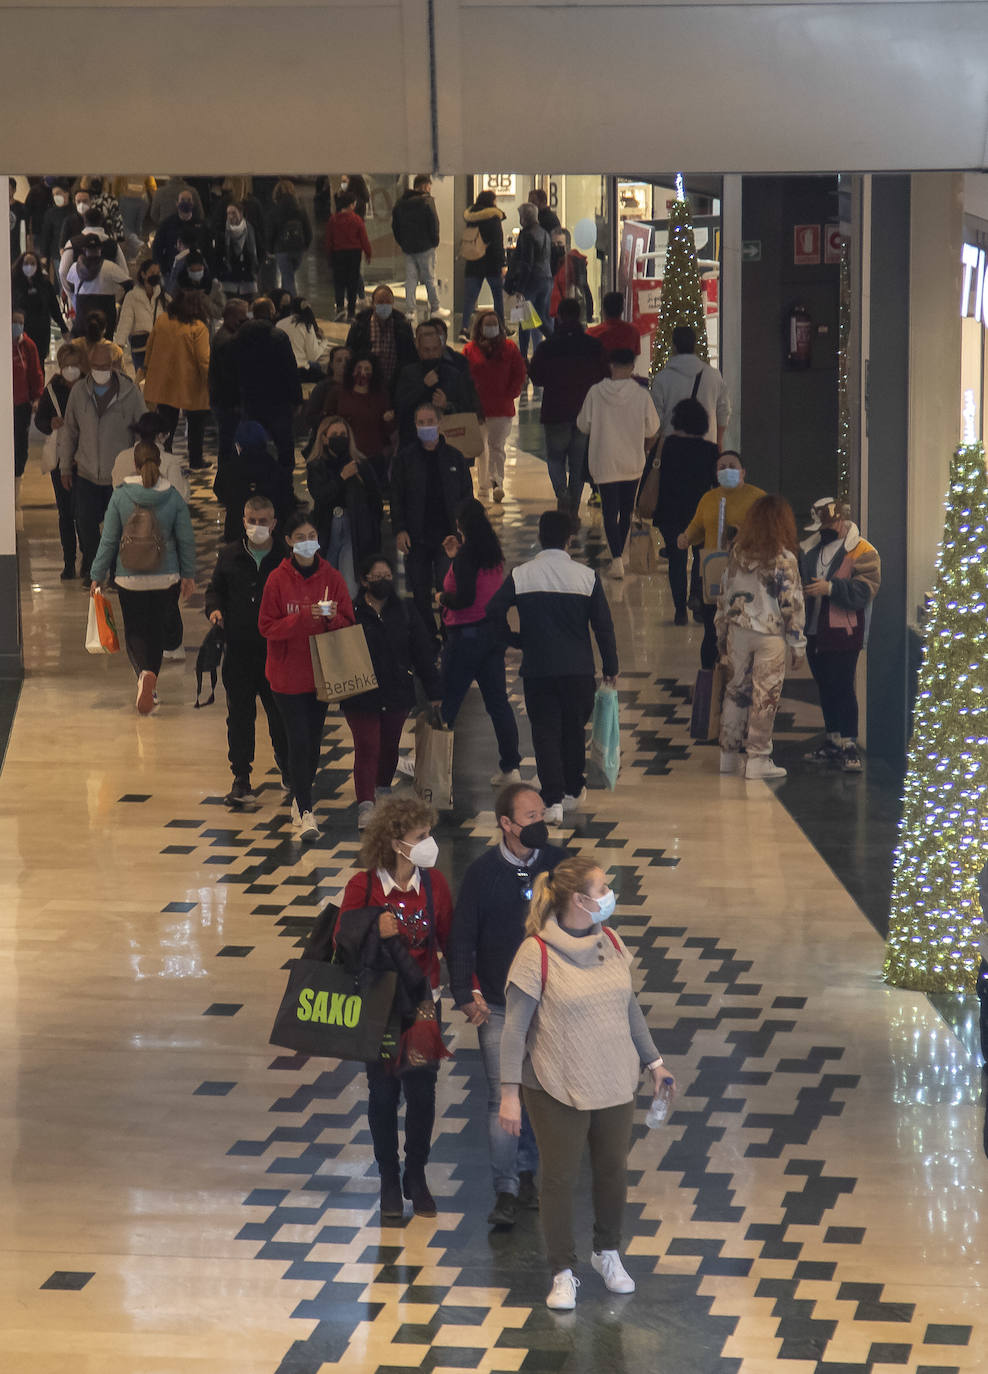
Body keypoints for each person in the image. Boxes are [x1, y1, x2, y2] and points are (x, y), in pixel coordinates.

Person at [499, 854, 672, 1309]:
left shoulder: (610, 941)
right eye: (602, 889)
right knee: (558, 1178)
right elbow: (514, 1030)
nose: (609, 895)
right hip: (555, 1084)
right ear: (578, 899)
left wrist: (655, 1063)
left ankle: (607, 1252)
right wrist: (509, 1095)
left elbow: (628, 1006)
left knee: (613, 1171)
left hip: (614, 1079)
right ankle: (562, 1271)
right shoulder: (535, 953)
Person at [447, 784, 568, 1225]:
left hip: (552, 1007)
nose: (540, 824)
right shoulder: (482, 874)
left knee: (542, 1094)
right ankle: (506, 1189)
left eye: (541, 814)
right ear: (506, 824)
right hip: (498, 1007)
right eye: (531, 818)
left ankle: (531, 1173)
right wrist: (464, 992)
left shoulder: (558, 867)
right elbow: (462, 937)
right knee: (505, 1096)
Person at [336, 795, 453, 1220]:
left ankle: (416, 1174)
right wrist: (373, 925)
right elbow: (341, 940)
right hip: (381, 1007)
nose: (429, 843)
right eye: (420, 836)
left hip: (422, 1006)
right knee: (383, 1095)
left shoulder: (434, 884)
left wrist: (470, 988)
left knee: (422, 1094)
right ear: (395, 842)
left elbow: (448, 936)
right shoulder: (362, 887)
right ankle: (389, 1176)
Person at [486, 509, 618, 824]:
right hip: (578, 672)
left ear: (539, 536)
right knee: (573, 731)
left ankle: (553, 800)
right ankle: (573, 790)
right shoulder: (586, 577)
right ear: (569, 539)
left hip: (539, 669)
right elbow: (603, 626)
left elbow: (493, 611)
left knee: (545, 733)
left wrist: (515, 639)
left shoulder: (523, 574)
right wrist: (611, 665)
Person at [257, 509, 355, 839]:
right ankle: (307, 809)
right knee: (297, 741)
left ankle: (300, 797)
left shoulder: (332, 577)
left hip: (321, 675)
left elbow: (348, 624)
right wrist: (304, 618)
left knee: (313, 744)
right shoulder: (276, 579)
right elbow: (267, 626)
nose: (307, 542)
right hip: (286, 677)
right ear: (287, 541)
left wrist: (328, 618)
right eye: (300, 537)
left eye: (312, 536)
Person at [89, 442, 196, 714]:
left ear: (135, 465)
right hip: (166, 576)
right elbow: (186, 538)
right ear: (159, 463)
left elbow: (109, 539)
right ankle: (151, 678)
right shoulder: (172, 496)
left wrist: (97, 574)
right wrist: (188, 574)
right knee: (157, 631)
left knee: (136, 630)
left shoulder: (121, 495)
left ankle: (144, 677)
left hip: (129, 577)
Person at [342, 555, 442, 828]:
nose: (383, 581)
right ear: (364, 580)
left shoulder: (405, 610)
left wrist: (434, 690)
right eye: (377, 576)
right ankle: (366, 804)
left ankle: (382, 791)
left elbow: (422, 652)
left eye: (388, 576)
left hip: (397, 691)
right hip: (360, 694)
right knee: (367, 746)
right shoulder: (351, 612)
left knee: (389, 747)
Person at [205, 494, 291, 808]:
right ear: (243, 522)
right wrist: (214, 610)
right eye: (252, 521)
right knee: (239, 718)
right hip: (239, 652)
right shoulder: (229, 555)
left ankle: (290, 773)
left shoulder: (286, 558)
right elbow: (215, 590)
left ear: (274, 523)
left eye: (263, 521)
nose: (257, 527)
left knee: (280, 717)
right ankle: (241, 778)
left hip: (276, 654)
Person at [716, 495, 806, 780]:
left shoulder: (737, 553)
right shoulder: (784, 559)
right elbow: (791, 603)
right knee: (764, 697)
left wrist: (721, 632)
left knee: (735, 692)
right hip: (770, 635)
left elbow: (725, 593)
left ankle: (728, 756)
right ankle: (758, 758)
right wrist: (798, 644)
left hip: (738, 631)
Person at [439, 499, 521, 785]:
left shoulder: (467, 556)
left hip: (465, 637)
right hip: (492, 636)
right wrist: (455, 557)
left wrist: (441, 598)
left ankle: (432, 766)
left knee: (447, 702)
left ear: (461, 525)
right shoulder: (492, 553)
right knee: (498, 702)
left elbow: (464, 598)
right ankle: (511, 767)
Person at [799, 496, 882, 774]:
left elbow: (866, 590)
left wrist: (832, 588)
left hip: (845, 632)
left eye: (831, 521)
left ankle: (849, 744)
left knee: (843, 687)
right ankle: (832, 740)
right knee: (825, 687)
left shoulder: (863, 550)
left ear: (842, 519)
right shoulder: (809, 550)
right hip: (813, 631)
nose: (827, 527)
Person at [57, 342, 147, 585]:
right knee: (85, 523)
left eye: (105, 366)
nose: (100, 371)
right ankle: (96, 568)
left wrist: (144, 466)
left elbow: (143, 431)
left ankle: (118, 571)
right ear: (89, 366)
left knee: (120, 526)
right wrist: (65, 466)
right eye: (95, 366)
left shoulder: (130, 394)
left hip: (120, 476)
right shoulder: (78, 393)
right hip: (86, 473)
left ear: (114, 366)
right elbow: (69, 432)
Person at [390, 402, 473, 644]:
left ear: (440, 423)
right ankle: (426, 636)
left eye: (430, 422)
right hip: (416, 536)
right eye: (421, 422)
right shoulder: (405, 459)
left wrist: (463, 532)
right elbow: (397, 497)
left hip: (448, 536)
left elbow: (467, 496)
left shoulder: (455, 457)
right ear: (415, 425)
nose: (426, 426)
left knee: (446, 588)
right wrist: (400, 529)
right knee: (419, 589)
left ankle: (449, 633)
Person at [577, 348, 659, 579]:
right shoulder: (641, 395)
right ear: (633, 367)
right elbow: (653, 428)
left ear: (610, 365)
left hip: (604, 460)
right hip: (632, 460)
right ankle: (621, 555)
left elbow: (583, 425)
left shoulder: (595, 392)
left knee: (609, 511)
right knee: (626, 510)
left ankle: (616, 560)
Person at [679, 450, 765, 669]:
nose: (727, 470)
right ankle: (710, 678)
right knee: (712, 630)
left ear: (743, 472)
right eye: (722, 467)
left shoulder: (758, 498)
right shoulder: (709, 498)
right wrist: (686, 537)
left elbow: (768, 532)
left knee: (741, 630)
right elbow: (697, 526)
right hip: (714, 573)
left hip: (745, 573)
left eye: (732, 466)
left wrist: (743, 533)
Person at [528, 298, 607, 519]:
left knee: (555, 458)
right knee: (577, 463)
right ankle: (572, 508)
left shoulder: (548, 346)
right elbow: (604, 375)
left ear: (559, 317)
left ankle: (562, 495)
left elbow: (536, 376)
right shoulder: (593, 346)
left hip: (555, 411)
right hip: (584, 412)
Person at [651, 396, 719, 619]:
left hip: (670, 511)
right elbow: (717, 484)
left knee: (677, 560)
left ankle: (679, 610)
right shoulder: (710, 450)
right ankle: (697, 597)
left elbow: (653, 476)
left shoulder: (666, 445)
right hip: (700, 512)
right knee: (700, 556)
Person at [306, 416, 383, 592]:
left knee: (350, 584)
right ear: (324, 438)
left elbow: (375, 499)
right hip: (328, 527)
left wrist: (371, 527)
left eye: (343, 434)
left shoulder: (360, 464)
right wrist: (342, 478)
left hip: (354, 526)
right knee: (326, 583)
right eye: (335, 434)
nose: (340, 437)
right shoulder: (316, 466)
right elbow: (320, 495)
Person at [230, 296, 302, 471]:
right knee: (284, 447)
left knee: (252, 446)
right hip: (278, 402)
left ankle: (255, 487)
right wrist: (297, 399)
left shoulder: (238, 337)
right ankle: (285, 492)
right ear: (272, 313)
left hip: (250, 401)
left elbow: (231, 370)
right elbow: (290, 370)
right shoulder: (278, 337)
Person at [143, 289, 211, 470]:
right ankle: (196, 460)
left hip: (165, 381)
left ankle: (164, 457)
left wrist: (146, 368)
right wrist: (210, 382)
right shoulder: (198, 327)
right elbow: (204, 359)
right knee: (196, 423)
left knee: (166, 423)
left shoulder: (163, 320)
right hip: (191, 383)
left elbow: (149, 347)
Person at [463, 312, 525, 505]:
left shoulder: (510, 348)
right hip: (477, 410)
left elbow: (519, 373)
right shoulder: (469, 350)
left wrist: (511, 393)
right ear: (479, 328)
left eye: (494, 324)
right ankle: (483, 485)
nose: (491, 328)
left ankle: (496, 481)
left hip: (501, 408)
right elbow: (463, 377)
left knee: (497, 447)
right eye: (487, 324)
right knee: (481, 449)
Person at [34, 342, 84, 578]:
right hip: (60, 458)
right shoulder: (53, 390)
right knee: (66, 513)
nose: (71, 370)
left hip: (84, 461)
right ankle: (69, 562)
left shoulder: (88, 387)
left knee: (84, 513)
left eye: (75, 365)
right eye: (68, 366)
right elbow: (40, 420)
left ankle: (88, 560)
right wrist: (49, 423)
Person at [394, 322, 481, 444]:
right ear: (418, 350)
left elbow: (468, 409)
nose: (431, 354)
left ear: (441, 349)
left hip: (448, 444)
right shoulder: (408, 374)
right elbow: (400, 408)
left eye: (435, 349)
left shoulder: (454, 375)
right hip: (413, 443)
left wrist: (447, 405)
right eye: (426, 350)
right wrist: (422, 387)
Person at [651, 325, 730, 448]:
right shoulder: (713, 376)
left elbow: (656, 419)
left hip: (672, 448)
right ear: (694, 345)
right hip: (706, 447)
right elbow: (723, 412)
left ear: (674, 347)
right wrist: (719, 441)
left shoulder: (662, 379)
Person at [318, 353, 396, 476]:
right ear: (352, 370)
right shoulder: (338, 393)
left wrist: (389, 420)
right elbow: (326, 421)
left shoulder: (381, 395)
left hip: (373, 455)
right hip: (344, 454)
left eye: (367, 369)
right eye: (359, 368)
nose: (363, 373)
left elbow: (388, 429)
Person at [220, 420, 295, 542]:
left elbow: (220, 491)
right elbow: (287, 500)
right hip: (271, 531)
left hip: (236, 530)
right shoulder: (275, 467)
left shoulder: (229, 468)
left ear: (238, 445)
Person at [209, 298, 250, 495]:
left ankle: (225, 484)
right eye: (243, 316)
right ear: (232, 317)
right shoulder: (226, 341)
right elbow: (229, 378)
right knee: (227, 445)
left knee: (228, 445)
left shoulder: (226, 336)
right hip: (227, 404)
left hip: (224, 402)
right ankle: (223, 486)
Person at [346, 285, 417, 396]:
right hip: (366, 384)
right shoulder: (360, 325)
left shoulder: (402, 326)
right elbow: (350, 352)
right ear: (373, 304)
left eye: (388, 302)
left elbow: (409, 356)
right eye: (380, 302)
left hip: (395, 385)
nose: (384, 305)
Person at [505, 202, 553, 362]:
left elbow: (526, 263)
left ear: (524, 217)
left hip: (531, 282)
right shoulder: (544, 233)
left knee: (525, 319)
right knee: (542, 316)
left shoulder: (527, 235)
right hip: (546, 279)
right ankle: (552, 344)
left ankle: (523, 355)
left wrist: (520, 288)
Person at [392, 174, 442, 320]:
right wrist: (434, 241)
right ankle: (435, 307)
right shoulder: (427, 201)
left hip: (408, 247)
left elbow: (395, 226)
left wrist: (402, 242)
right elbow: (434, 223)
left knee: (411, 280)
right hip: (426, 246)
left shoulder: (401, 203)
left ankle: (410, 310)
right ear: (425, 185)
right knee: (429, 278)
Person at [62, 235, 131, 337]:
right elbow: (128, 284)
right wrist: (118, 300)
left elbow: (71, 287)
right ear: (100, 249)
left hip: (82, 320)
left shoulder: (74, 268)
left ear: (84, 249)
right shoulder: (110, 267)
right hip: (105, 321)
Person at [460, 190, 506, 339]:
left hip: (473, 262)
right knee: (497, 297)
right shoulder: (493, 218)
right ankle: (500, 328)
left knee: (470, 299)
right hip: (491, 264)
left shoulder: (470, 218)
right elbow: (498, 244)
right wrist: (503, 264)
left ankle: (464, 328)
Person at [112, 412, 188, 500]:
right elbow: (179, 497)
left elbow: (116, 488)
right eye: (167, 434)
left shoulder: (122, 457)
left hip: (126, 511)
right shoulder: (169, 461)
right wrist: (185, 482)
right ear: (159, 435)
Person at [113, 258, 166, 376]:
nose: (155, 276)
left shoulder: (163, 297)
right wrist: (119, 346)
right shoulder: (132, 297)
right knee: (143, 382)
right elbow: (125, 321)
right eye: (152, 273)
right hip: (141, 349)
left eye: (158, 273)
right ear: (143, 274)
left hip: (161, 346)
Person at [12, 250, 67, 363]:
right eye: (26, 263)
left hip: (41, 332)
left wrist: (63, 327)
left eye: (32, 263)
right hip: (22, 332)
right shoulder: (15, 285)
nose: (29, 267)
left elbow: (54, 308)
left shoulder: (45, 284)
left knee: (39, 363)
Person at [325, 192, 372, 322]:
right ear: (351, 205)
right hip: (354, 254)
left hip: (338, 254)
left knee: (339, 282)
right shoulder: (356, 219)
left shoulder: (333, 220)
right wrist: (368, 253)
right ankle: (351, 311)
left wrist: (329, 255)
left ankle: (340, 308)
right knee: (352, 282)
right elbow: (364, 239)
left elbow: (329, 239)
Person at [11, 309, 44, 489]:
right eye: (14, 321)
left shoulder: (29, 345)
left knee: (20, 442)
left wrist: (37, 397)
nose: (17, 326)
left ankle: (17, 476)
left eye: (20, 322)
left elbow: (35, 372)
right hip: (6, 404)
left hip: (22, 403)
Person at [266, 179, 312, 298]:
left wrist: (270, 249)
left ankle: (291, 304)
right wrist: (305, 245)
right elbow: (308, 231)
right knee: (289, 276)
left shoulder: (274, 211)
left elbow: (271, 233)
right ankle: (284, 299)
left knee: (288, 278)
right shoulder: (300, 210)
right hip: (298, 248)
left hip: (282, 249)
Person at [152, 188, 210, 277]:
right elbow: (157, 248)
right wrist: (163, 269)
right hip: (171, 271)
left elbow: (208, 249)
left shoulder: (201, 225)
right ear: (177, 203)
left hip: (196, 273)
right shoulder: (167, 224)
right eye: (182, 200)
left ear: (193, 204)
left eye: (189, 200)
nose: (185, 202)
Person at [214, 202, 259, 300]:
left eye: (233, 213)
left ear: (241, 213)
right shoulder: (221, 231)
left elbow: (256, 250)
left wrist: (255, 269)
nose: (230, 216)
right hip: (228, 276)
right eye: (228, 213)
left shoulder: (250, 228)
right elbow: (217, 254)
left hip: (247, 276)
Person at [548, 228, 593, 325]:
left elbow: (582, 288)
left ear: (567, 245)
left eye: (559, 244)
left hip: (571, 315)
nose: (556, 247)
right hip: (556, 315)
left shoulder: (574, 262)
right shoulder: (551, 264)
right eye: (553, 244)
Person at [276, 297, 329, 379]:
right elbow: (313, 356)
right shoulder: (306, 325)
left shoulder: (279, 323)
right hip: (300, 370)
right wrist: (324, 341)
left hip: (281, 369)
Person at [588, 291, 641, 361]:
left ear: (603, 310)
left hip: (600, 371)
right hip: (625, 371)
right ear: (622, 309)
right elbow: (635, 355)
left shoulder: (592, 334)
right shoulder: (634, 331)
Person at [39, 184, 74, 269]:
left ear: (67, 193)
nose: (56, 197)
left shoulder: (74, 210)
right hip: (57, 255)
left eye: (58, 193)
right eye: (54, 195)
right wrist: (44, 256)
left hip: (74, 254)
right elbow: (46, 236)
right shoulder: (50, 213)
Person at [9, 178, 26, 260]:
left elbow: (25, 228)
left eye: (9, 189)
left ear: (14, 190)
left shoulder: (20, 207)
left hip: (16, 246)